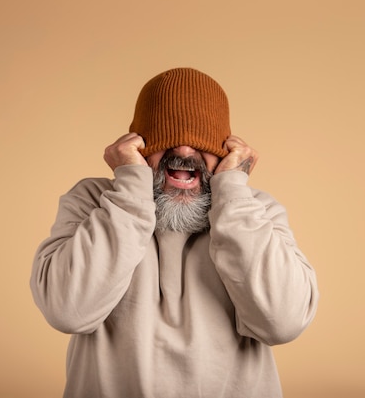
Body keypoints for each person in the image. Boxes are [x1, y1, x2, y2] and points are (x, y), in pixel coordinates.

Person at [31, 67, 319, 398]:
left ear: (226, 151)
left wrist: (234, 196)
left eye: (202, 140)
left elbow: (283, 322)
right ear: (137, 147)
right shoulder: (93, 202)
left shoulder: (255, 210)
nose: (183, 152)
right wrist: (130, 191)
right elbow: (67, 310)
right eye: (165, 137)